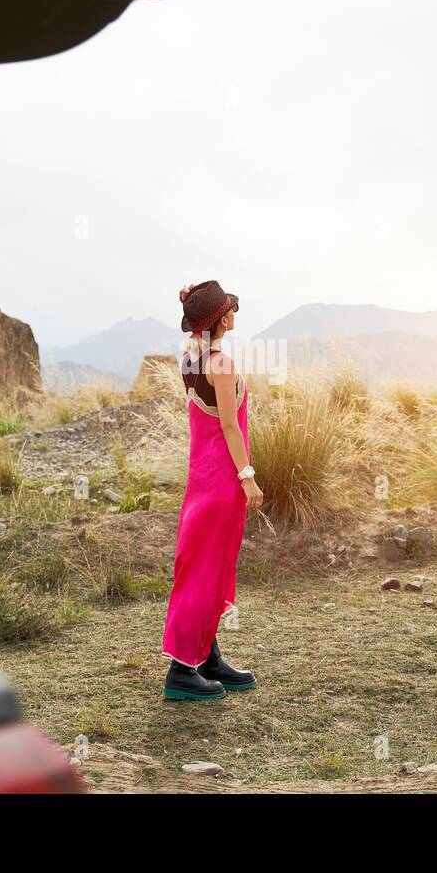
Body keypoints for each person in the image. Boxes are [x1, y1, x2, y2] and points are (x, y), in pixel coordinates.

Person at [161, 280, 263, 700]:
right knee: (206, 569)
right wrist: (247, 475)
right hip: (221, 478)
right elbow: (227, 424)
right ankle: (182, 671)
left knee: (209, 565)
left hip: (201, 478)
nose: (234, 312)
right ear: (222, 318)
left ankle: (206, 656)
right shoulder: (220, 364)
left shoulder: (191, 360)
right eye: (229, 309)